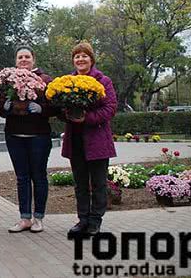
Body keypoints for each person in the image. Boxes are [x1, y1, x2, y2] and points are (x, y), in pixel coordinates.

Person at [61, 42, 117, 237]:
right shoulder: (66, 82)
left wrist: (87, 118)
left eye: (84, 56)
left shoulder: (103, 81)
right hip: (75, 139)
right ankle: (82, 219)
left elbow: (110, 108)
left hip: (97, 140)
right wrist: (65, 112)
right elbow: (61, 108)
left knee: (99, 183)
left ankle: (95, 220)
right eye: (77, 56)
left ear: (91, 59)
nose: (80, 59)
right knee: (80, 183)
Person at [0, 46, 54, 234]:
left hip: (38, 135)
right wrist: (5, 106)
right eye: (20, 57)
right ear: (16, 60)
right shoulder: (7, 80)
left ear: (33, 59)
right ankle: (24, 218)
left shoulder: (45, 80)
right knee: (22, 178)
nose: (23, 60)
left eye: (27, 57)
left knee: (38, 176)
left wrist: (41, 108)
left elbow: (54, 106)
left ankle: (38, 218)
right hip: (15, 135)